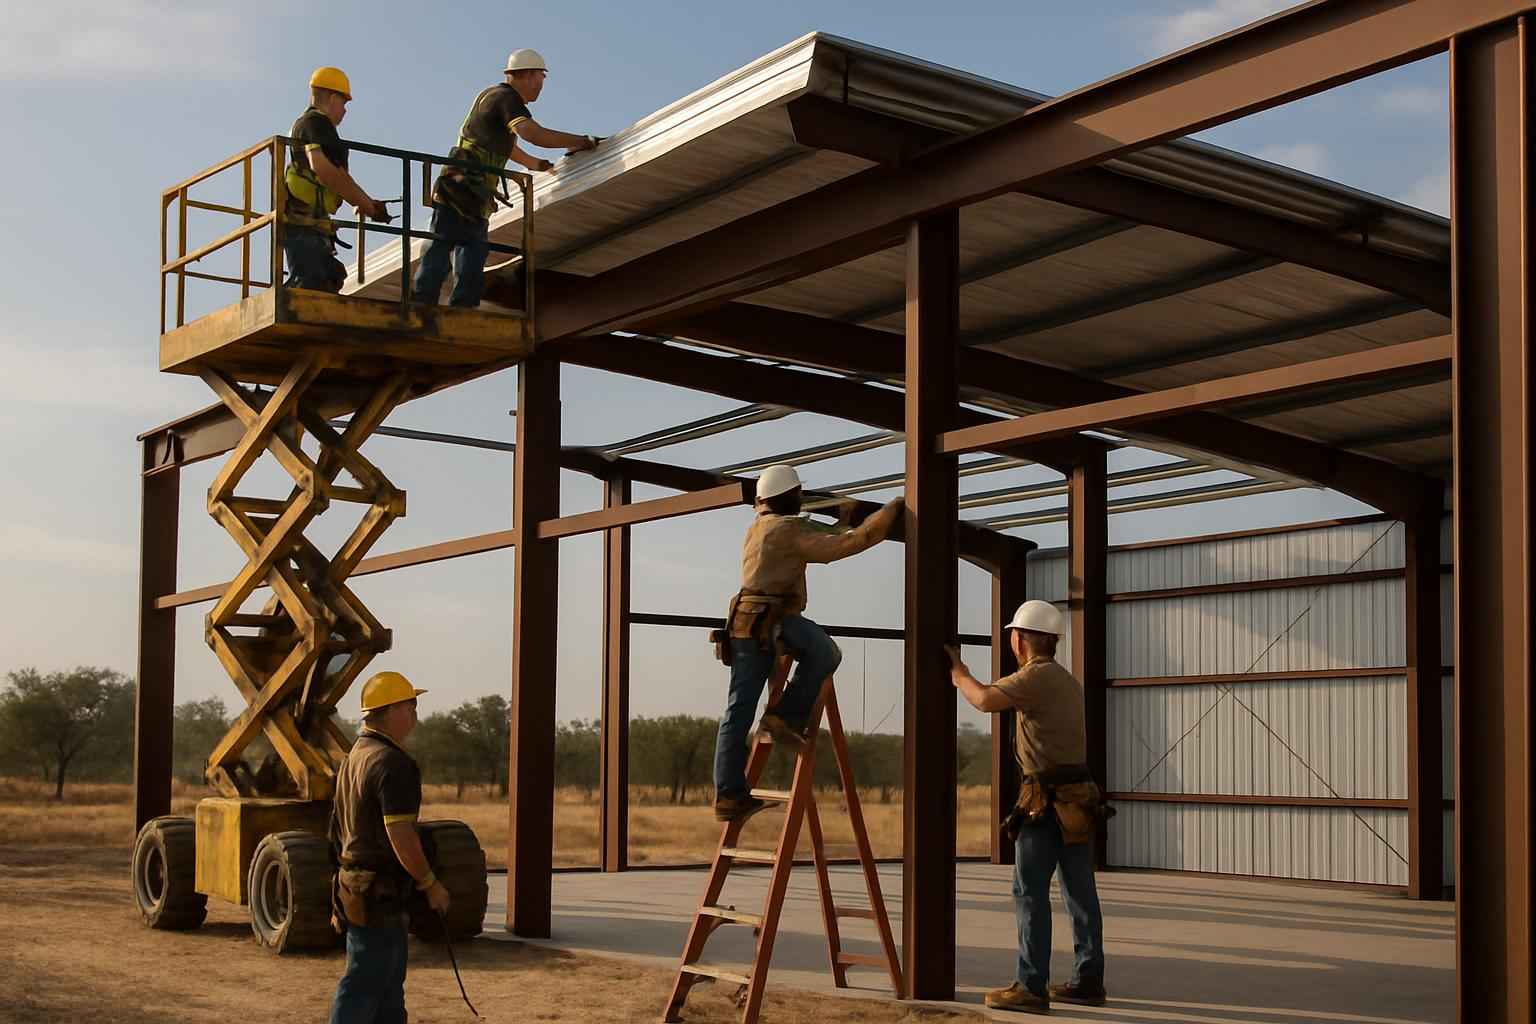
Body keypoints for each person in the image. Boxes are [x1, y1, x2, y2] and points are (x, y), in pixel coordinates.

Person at [712, 464, 903, 822]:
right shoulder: (786, 529)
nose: (801, 500)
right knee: (826, 652)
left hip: (745, 622)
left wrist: (841, 520)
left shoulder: (759, 529)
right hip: (774, 622)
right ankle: (783, 717)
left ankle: (728, 795)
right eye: (798, 495)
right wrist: (891, 511)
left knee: (737, 710)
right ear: (788, 497)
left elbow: (815, 537)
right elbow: (846, 545)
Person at [947, 601, 1108, 1015]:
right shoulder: (1067, 682)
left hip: (1047, 804)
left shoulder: (1034, 678)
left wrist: (960, 675)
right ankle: (1089, 981)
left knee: (1030, 892)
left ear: (1019, 640)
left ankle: (1030, 986)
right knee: (1079, 893)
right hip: (1079, 800)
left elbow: (983, 700)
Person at [413, 48, 601, 308]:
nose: (541, 86)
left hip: (475, 193)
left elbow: (505, 146)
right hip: (461, 186)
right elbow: (533, 133)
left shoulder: (496, 99)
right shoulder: (505, 98)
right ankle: (422, 305)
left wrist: (536, 164)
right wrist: (581, 141)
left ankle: (460, 310)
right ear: (527, 75)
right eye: (541, 78)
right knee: (443, 245)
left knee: (472, 252)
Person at [329, 670, 452, 1024]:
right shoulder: (393, 763)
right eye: (410, 706)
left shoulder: (353, 758)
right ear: (391, 711)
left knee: (386, 989)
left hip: (360, 890)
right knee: (367, 985)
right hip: (378, 893)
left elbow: (334, 830)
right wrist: (430, 884)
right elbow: (400, 834)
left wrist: (333, 893)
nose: (415, 714)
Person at [284, 67, 391, 292]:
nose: (344, 111)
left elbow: (341, 177)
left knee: (330, 277)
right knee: (310, 286)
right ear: (332, 98)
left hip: (312, 224)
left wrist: (367, 204)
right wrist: (367, 206)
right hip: (303, 223)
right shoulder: (314, 124)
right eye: (344, 103)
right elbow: (324, 170)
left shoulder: (319, 128)